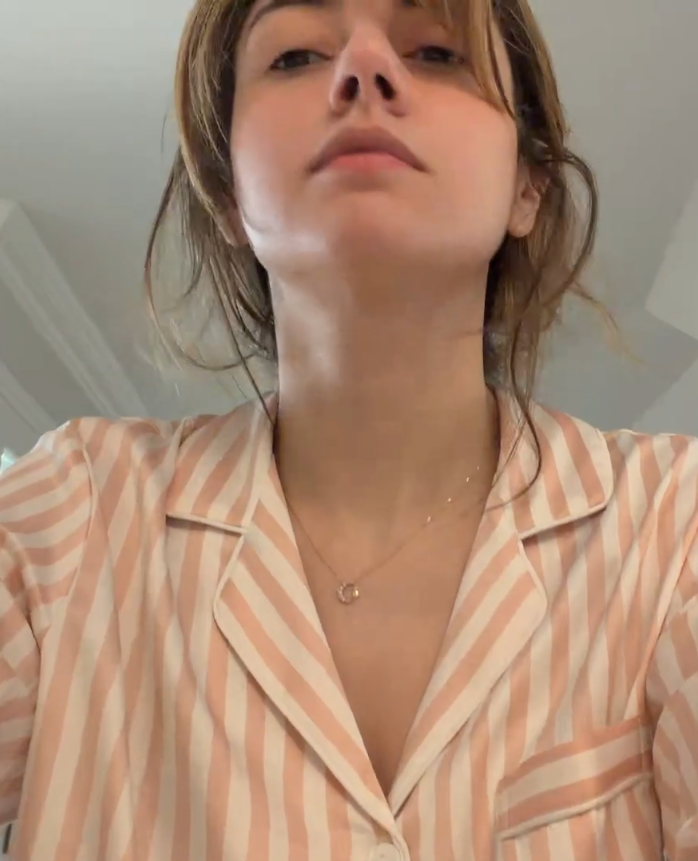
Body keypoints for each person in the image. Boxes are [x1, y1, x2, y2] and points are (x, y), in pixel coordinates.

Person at [0, 0, 697, 857]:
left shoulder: (677, 527)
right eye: (295, 55)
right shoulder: (67, 518)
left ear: (528, 183)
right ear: (227, 192)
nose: (365, 68)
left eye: (436, 52)